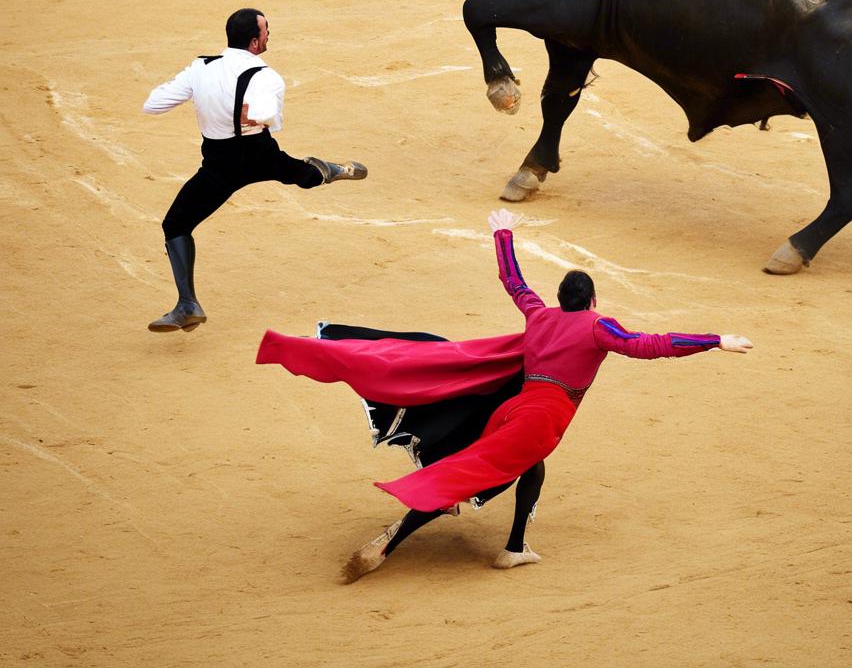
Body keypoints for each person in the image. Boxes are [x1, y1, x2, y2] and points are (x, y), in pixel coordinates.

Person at [255, 210, 752, 583]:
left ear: (562, 298)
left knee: (527, 469)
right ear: (593, 301)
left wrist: (503, 233)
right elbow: (649, 346)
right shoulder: (600, 327)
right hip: (545, 418)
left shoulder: (539, 315)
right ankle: (390, 541)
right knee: (460, 476)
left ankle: (514, 545)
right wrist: (715, 340)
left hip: (513, 409)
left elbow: (513, 281)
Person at [143, 8, 367, 332]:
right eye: (266, 31)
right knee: (298, 175)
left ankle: (187, 304)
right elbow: (264, 115)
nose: (268, 35)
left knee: (176, 224)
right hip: (256, 153)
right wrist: (251, 114)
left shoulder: (200, 68)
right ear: (254, 41)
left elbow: (154, 103)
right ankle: (331, 170)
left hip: (220, 163)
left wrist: (203, 94)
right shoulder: (266, 77)